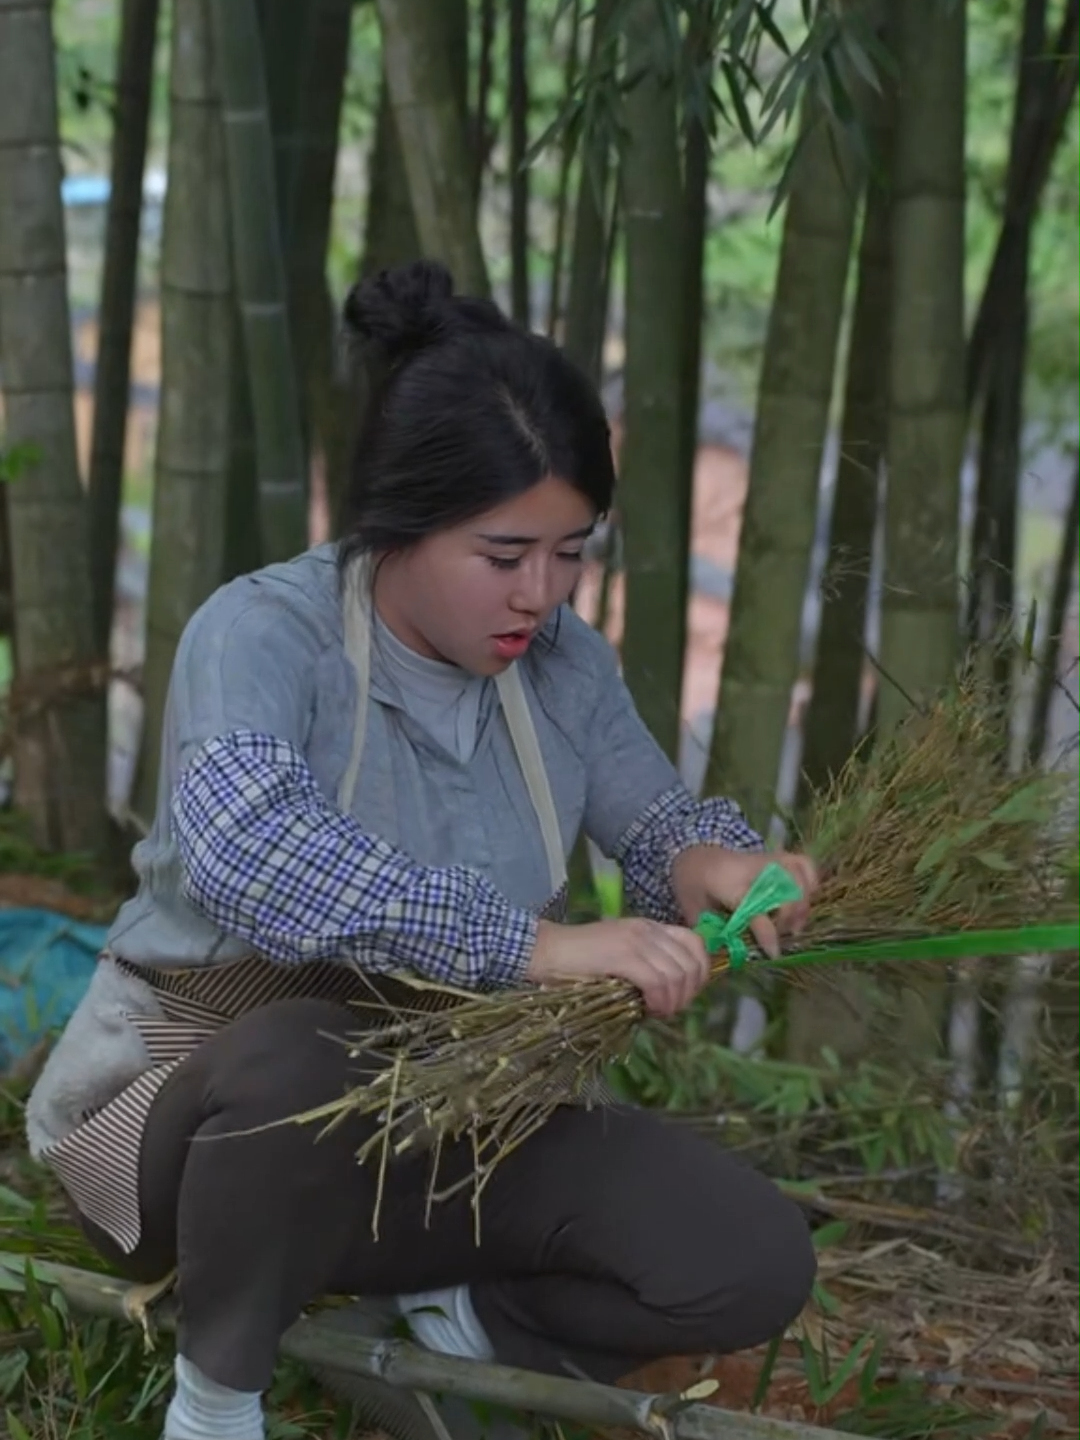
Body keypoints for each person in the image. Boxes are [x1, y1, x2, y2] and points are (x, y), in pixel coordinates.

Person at [27, 261, 819, 1440]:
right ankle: (216, 1399)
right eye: (504, 557)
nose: (540, 596)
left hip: (451, 1115)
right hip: (186, 1153)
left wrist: (714, 864)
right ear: (400, 520)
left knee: (746, 1258)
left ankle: (458, 1318)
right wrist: (537, 945)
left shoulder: (563, 663)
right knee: (299, 1055)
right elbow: (252, 852)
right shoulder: (262, 634)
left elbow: (653, 817)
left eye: (571, 555)